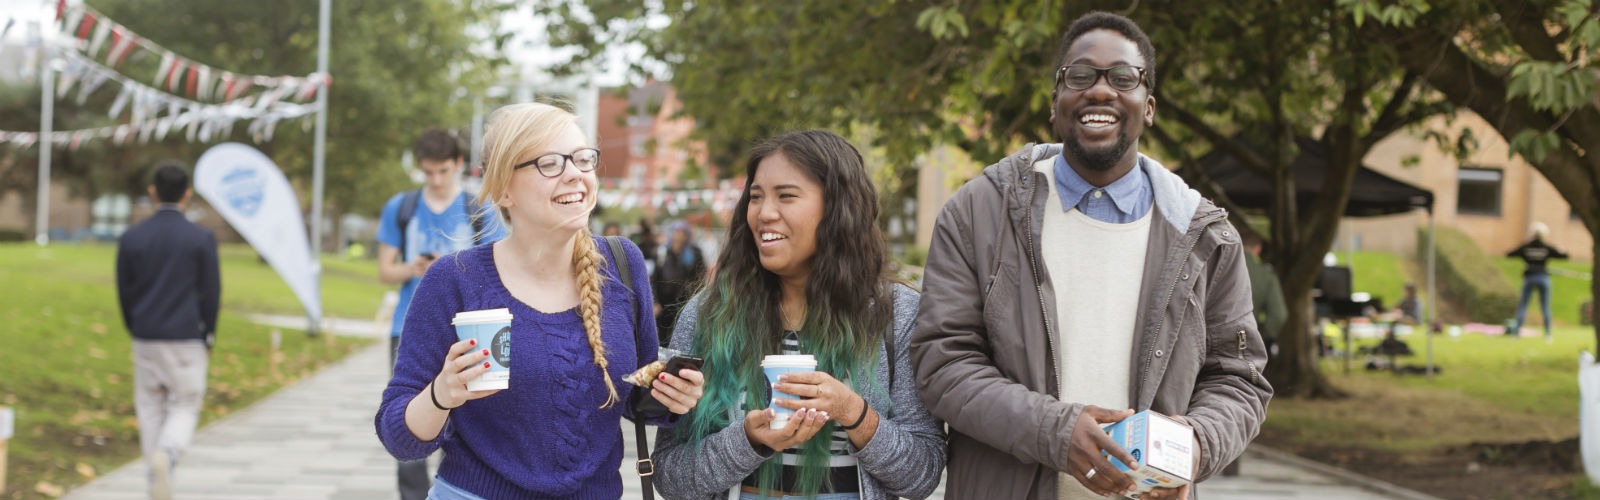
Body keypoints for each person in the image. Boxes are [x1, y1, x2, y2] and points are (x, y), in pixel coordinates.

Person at [909, 12, 1272, 500]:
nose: (1101, 91)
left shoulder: (1206, 237)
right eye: (1080, 76)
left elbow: (1238, 379)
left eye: (1124, 78)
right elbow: (943, 363)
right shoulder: (976, 214)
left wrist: (1195, 446)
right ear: (1054, 104)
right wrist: (1056, 433)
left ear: (1148, 108)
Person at [375, 102, 706, 499]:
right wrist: (442, 394)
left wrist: (673, 396)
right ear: (501, 188)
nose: (575, 175)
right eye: (550, 163)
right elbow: (399, 437)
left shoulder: (622, 263)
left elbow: (635, 396)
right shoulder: (454, 280)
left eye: (583, 159)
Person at [652, 130, 945, 500]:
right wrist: (748, 441)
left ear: (839, 208)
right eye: (755, 197)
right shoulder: (709, 315)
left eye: (786, 196)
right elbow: (670, 477)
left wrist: (852, 410)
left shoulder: (896, 314)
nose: (764, 212)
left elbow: (922, 475)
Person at [375, 127, 508, 499]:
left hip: (467, 328)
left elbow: (500, 270)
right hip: (408, 326)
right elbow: (385, 270)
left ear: (458, 165)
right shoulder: (400, 207)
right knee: (407, 418)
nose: (435, 180)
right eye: (428, 172)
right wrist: (413, 268)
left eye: (443, 171)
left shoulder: (479, 208)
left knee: (468, 420)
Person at [115, 162, 220, 500]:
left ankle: (154, 478)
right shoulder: (201, 238)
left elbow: (124, 290)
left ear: (152, 192)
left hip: (145, 335)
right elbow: (212, 291)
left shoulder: (132, 237)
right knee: (185, 404)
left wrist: (135, 326)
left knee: (150, 407)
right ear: (187, 194)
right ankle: (169, 454)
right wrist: (209, 334)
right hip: (187, 335)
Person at [1507, 222, 1568, 341]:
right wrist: (1562, 250)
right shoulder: (1546, 247)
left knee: (1523, 306)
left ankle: (1515, 334)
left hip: (1529, 278)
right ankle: (1547, 335)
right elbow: (1563, 256)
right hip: (1543, 278)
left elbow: (1510, 254)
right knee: (1545, 307)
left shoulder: (1526, 247)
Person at [651, 220, 708, 344]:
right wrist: (655, 301)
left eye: (681, 233)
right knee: (664, 338)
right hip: (665, 304)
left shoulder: (694, 253)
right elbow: (654, 279)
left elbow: (701, 277)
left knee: (683, 337)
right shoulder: (663, 253)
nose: (678, 236)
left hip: (685, 302)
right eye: (675, 232)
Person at [1242, 230, 1287, 362]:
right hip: (1248, 340)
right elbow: (1279, 314)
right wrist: (1262, 334)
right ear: (1258, 249)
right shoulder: (1266, 276)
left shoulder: (1214, 267)